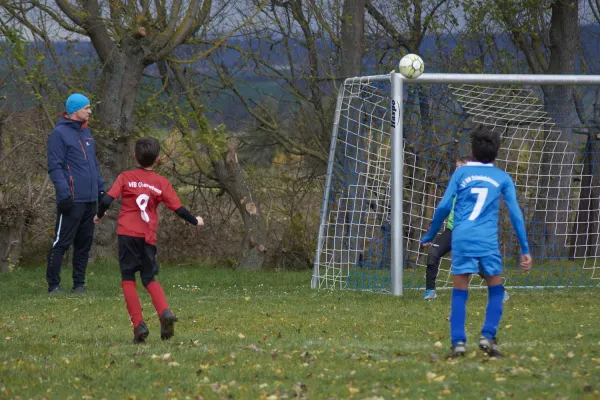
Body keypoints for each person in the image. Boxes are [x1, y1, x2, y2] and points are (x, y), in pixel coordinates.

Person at [420, 124, 532, 358]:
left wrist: (430, 234)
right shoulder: (502, 177)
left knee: (460, 290)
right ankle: (488, 336)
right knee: (495, 288)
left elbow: (443, 206)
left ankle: (458, 342)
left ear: (471, 151)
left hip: (461, 236)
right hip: (486, 240)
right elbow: (515, 214)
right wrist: (524, 248)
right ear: (497, 152)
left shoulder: (461, 173)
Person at [94, 137, 203, 344]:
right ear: (158, 160)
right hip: (147, 238)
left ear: (134, 156)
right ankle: (164, 311)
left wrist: (99, 215)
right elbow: (178, 209)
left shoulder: (126, 177)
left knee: (128, 279)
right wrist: (195, 221)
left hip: (127, 235)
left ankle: (139, 325)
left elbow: (107, 199)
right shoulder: (161, 182)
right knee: (149, 279)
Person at [423, 156, 510, 303]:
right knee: (433, 254)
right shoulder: (454, 187)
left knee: (479, 265)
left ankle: (499, 291)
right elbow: (445, 208)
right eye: (456, 167)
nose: (457, 170)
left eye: (460, 167)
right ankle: (430, 291)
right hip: (451, 231)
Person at [46, 93, 105, 294]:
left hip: (90, 200)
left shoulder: (87, 133)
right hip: (71, 199)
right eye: (86, 108)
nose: (90, 111)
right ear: (74, 110)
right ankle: (53, 285)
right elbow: (55, 167)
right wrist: (64, 194)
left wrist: (101, 188)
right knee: (61, 243)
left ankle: (78, 285)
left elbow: (93, 165)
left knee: (84, 244)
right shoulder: (59, 134)